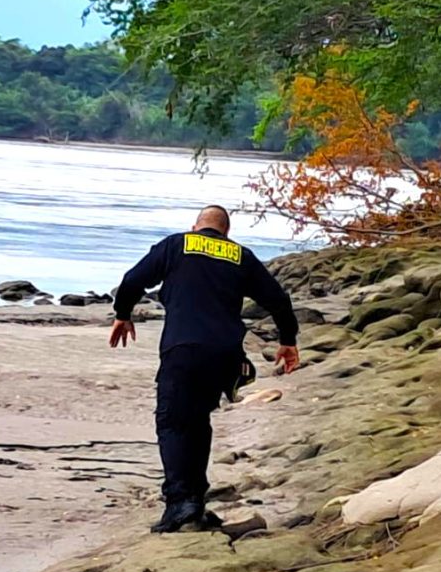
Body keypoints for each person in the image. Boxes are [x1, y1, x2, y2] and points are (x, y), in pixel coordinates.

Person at [110, 205, 301, 533]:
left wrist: (123, 313)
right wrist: (288, 340)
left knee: (172, 422)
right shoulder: (239, 255)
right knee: (198, 421)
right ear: (225, 233)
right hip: (225, 355)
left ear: (195, 227)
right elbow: (278, 300)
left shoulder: (176, 245)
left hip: (183, 348)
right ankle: (195, 501)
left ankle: (179, 503)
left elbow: (132, 280)